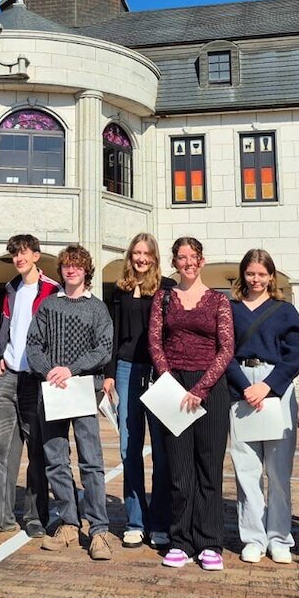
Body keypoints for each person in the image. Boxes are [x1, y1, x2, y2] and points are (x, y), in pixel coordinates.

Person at [149, 237, 234, 572]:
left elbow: (226, 348)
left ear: (201, 261)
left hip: (210, 389)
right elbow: (155, 342)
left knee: (208, 468)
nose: (187, 263)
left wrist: (201, 387)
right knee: (180, 469)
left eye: (192, 257)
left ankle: (209, 541)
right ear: (175, 262)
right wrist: (170, 381)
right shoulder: (163, 298)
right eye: (181, 257)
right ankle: (180, 541)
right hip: (173, 386)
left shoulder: (218, 300)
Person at [27, 244, 115, 560]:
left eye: (77, 265)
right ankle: (68, 522)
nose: (71, 270)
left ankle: (99, 530)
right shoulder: (49, 306)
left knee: (91, 461)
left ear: (86, 270)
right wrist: (50, 370)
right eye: (66, 265)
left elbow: (104, 349)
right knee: (56, 460)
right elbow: (33, 345)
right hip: (52, 390)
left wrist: (71, 369)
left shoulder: (97, 309)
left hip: (83, 390)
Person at [0, 233, 59, 536]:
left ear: (36, 255)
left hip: (36, 379)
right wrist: (0, 357)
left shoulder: (52, 291)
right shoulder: (11, 289)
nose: (18, 258)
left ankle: (35, 517)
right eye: (14, 254)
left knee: (37, 451)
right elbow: (7, 329)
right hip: (9, 377)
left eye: (23, 253)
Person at [226, 249, 299, 565]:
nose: (256, 279)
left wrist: (268, 385)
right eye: (250, 273)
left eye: (262, 274)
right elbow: (224, 351)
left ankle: (279, 537)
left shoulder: (284, 311)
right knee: (246, 468)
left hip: (276, 388)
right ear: (242, 275)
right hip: (241, 388)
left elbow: (295, 354)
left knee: (278, 469)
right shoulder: (231, 309)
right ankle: (253, 537)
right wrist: (244, 385)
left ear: (271, 276)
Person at [102, 233, 174, 549]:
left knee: (161, 450)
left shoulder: (167, 288)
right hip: (126, 370)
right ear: (130, 256)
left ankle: (159, 522)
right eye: (136, 253)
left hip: (159, 373)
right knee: (128, 447)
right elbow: (114, 335)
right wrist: (108, 375)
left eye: (147, 253)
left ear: (155, 257)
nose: (141, 258)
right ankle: (135, 521)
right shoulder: (119, 290)